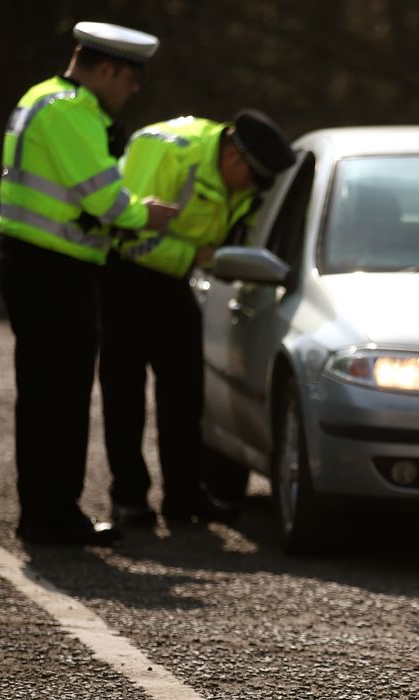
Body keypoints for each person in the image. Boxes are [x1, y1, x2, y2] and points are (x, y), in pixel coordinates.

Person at [0, 21, 178, 546]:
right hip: (53, 270)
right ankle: (52, 515)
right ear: (108, 69)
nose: (134, 90)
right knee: (60, 396)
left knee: (44, 394)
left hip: (39, 264)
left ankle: (46, 511)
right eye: (130, 79)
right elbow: (103, 198)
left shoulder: (45, 98)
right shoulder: (71, 111)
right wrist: (145, 215)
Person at [100, 110, 296, 527]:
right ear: (232, 158)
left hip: (175, 278)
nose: (248, 190)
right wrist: (199, 257)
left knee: (185, 389)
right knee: (125, 389)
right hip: (122, 273)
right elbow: (128, 236)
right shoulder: (167, 151)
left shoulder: (244, 180)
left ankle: (184, 497)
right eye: (250, 179)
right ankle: (129, 498)